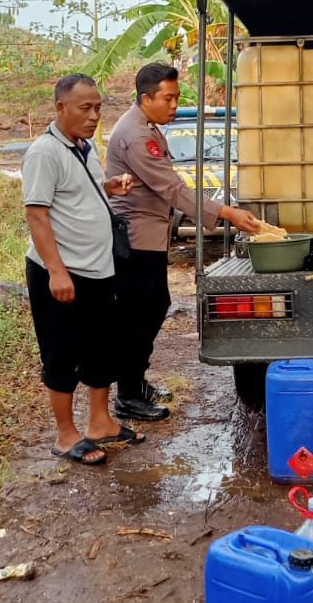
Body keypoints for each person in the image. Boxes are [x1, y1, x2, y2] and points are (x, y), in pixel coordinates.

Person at [104, 62, 262, 420]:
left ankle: (135, 382)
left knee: (153, 307)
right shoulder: (137, 135)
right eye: (168, 98)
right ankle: (128, 395)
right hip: (134, 239)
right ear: (146, 98)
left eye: (177, 98)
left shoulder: (147, 126)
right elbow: (173, 190)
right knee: (139, 314)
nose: (174, 105)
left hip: (149, 237)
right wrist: (227, 212)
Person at [23, 74, 142, 465]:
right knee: (62, 351)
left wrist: (109, 187)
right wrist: (57, 272)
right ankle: (65, 435)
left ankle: (100, 423)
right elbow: (37, 215)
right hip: (64, 271)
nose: (94, 116)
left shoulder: (84, 147)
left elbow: (75, 194)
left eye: (98, 108)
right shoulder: (44, 153)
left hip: (98, 268)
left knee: (101, 347)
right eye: (85, 108)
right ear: (61, 108)